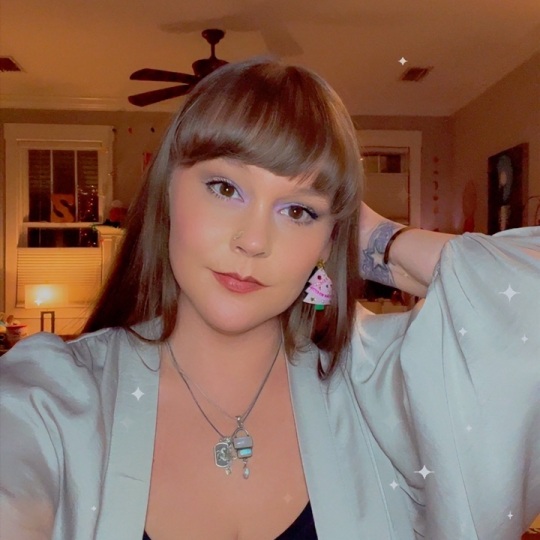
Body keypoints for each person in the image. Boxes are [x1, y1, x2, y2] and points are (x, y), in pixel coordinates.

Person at [0, 58, 538, 540]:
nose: (254, 241)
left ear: (330, 237)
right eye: (225, 188)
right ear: (167, 191)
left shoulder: (381, 393)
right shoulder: (53, 397)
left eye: (298, 211)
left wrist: (381, 243)